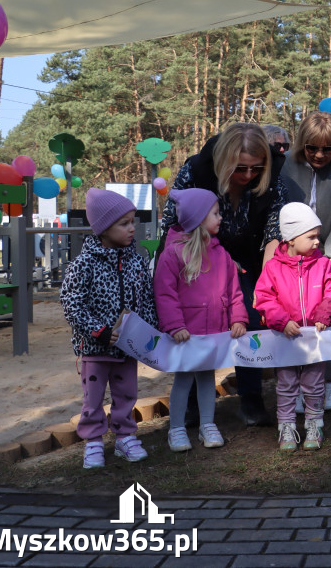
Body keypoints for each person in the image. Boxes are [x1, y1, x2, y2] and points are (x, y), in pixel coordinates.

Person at [161, 122, 289, 427]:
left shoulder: (272, 182)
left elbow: (274, 232)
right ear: (224, 162)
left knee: (250, 319)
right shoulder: (196, 171)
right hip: (197, 256)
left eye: (256, 168)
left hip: (249, 258)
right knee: (194, 325)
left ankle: (251, 398)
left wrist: (264, 282)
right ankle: (191, 404)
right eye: (240, 168)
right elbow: (172, 221)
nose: (247, 176)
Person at [60, 189, 157, 469]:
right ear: (103, 229)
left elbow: (146, 299)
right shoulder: (84, 264)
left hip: (127, 347)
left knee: (127, 394)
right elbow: (72, 304)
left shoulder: (136, 261)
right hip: (95, 348)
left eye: (132, 221)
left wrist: (150, 334)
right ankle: (92, 442)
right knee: (93, 398)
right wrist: (98, 331)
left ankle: (125, 437)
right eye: (123, 223)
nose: (131, 228)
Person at [154, 189, 248, 452]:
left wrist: (238, 318)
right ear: (197, 218)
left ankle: (208, 424)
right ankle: (176, 429)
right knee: (183, 380)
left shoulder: (222, 255)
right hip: (186, 333)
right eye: (215, 213)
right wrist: (175, 325)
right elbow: (164, 293)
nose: (221, 218)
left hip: (213, 332)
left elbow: (234, 290)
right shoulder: (172, 254)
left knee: (207, 379)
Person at [280, 111, 331, 411]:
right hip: (290, 256)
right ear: (302, 145)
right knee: (294, 320)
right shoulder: (285, 166)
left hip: (328, 255)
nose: (320, 155)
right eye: (312, 148)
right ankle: (298, 387)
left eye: (327, 149)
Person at [255, 203, 331, 450]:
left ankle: (315, 424)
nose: (318, 241)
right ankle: (286, 426)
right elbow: (264, 298)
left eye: (318, 236)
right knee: (285, 384)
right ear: (292, 239)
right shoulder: (272, 268)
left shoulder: (324, 265)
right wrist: (282, 321)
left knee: (315, 383)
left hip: (315, 339)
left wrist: (325, 315)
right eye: (311, 236)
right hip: (285, 339)